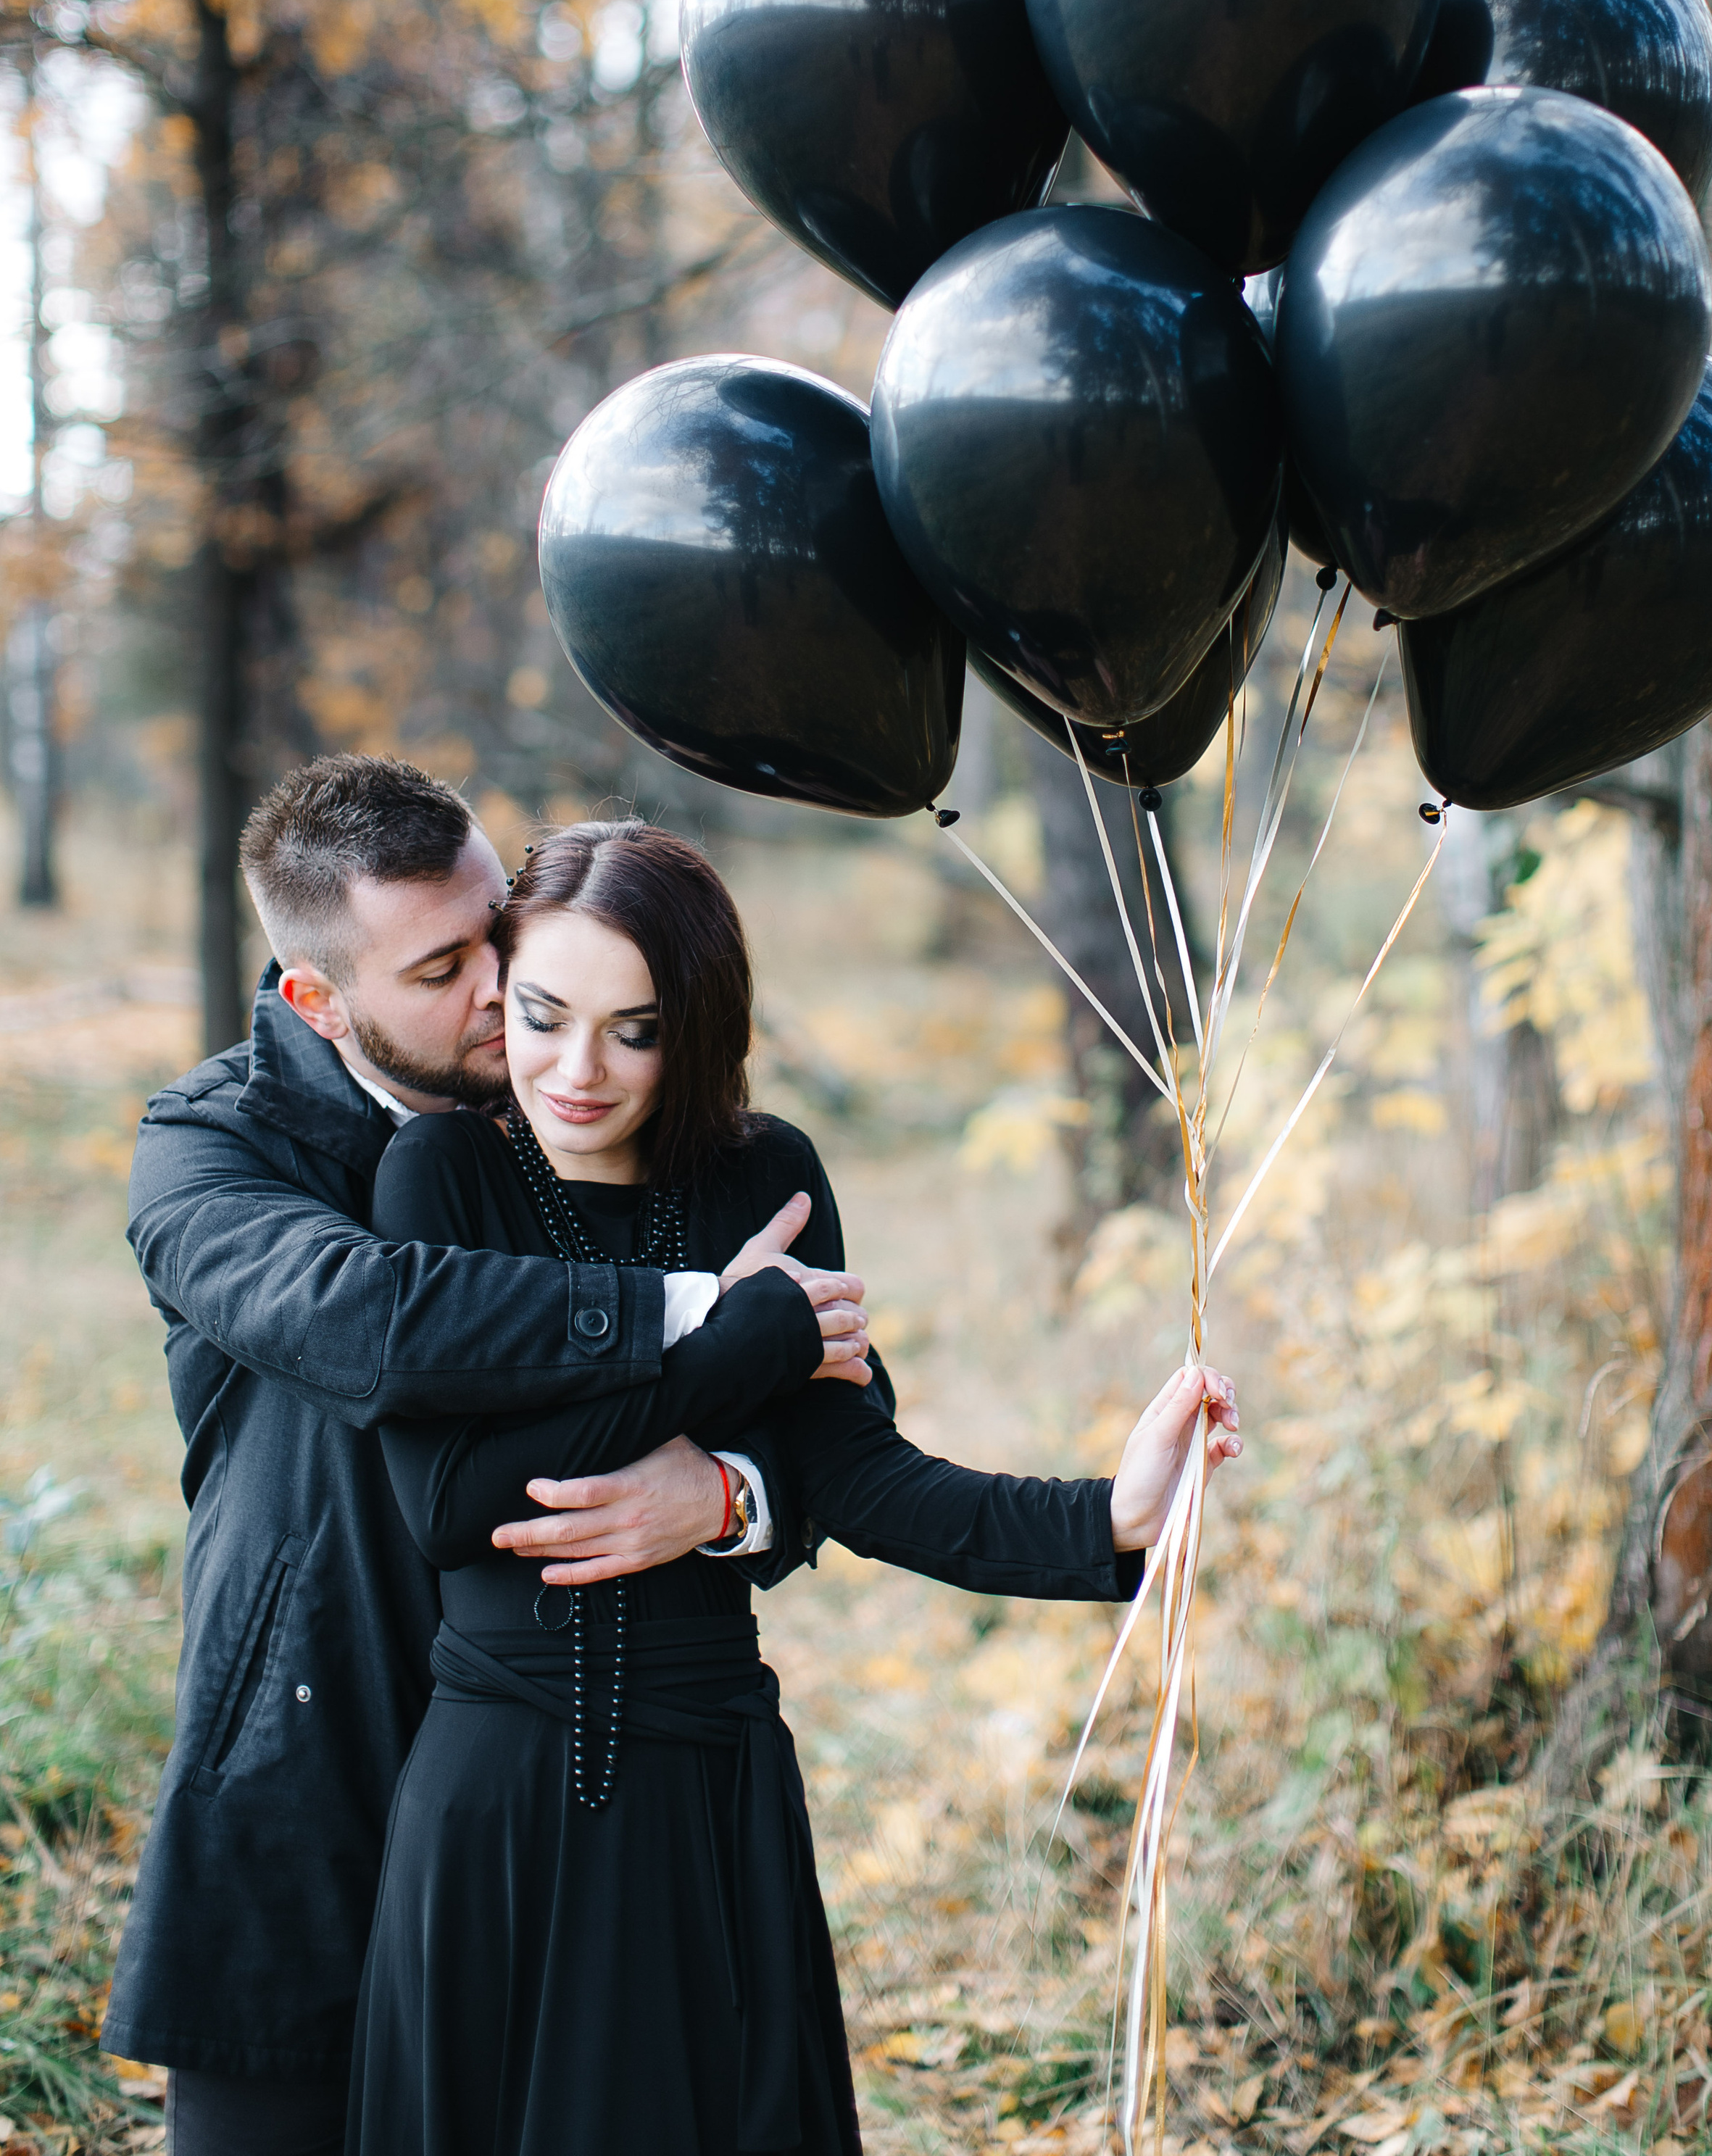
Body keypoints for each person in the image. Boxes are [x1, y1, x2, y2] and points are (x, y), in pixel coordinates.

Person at [347, 820, 1241, 2156]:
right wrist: (740, 1344)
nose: (576, 1071)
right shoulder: (441, 1174)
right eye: (542, 1016)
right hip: (502, 1806)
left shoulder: (767, 1177)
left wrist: (1108, 1516)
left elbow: (858, 1472)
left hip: (709, 1789)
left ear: (695, 1029)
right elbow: (455, 1499)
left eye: (633, 1032)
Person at [103, 757, 860, 2156]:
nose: (500, 995)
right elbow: (373, 1318)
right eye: (444, 968)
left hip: (559, 1793)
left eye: (494, 931)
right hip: (316, 1769)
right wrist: (704, 1312)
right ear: (317, 1001)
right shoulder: (210, 1151)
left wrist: (729, 1497)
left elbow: (834, 1436)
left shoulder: (593, 1115)